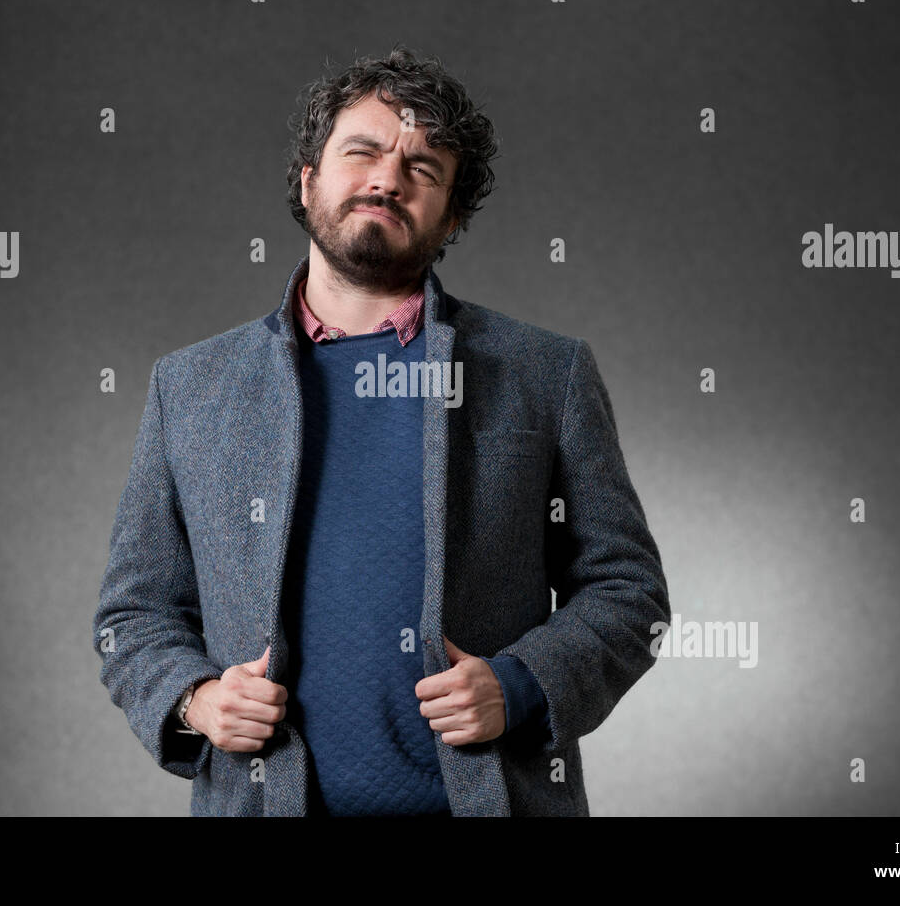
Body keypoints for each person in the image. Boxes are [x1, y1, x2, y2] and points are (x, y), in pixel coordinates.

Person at [93, 46, 670, 816]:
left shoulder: (544, 374)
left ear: (452, 216)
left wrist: (523, 685)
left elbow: (629, 592)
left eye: (423, 168)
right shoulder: (190, 387)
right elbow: (133, 616)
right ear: (309, 179)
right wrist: (194, 699)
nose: (387, 178)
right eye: (361, 150)